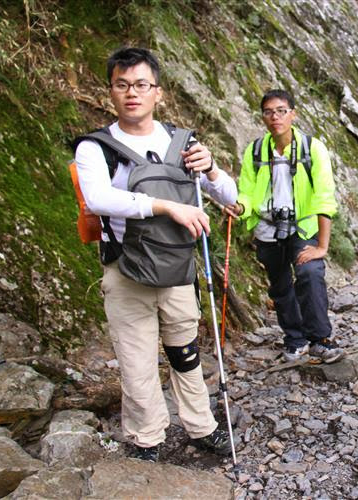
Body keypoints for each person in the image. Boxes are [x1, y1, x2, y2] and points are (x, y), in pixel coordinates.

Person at [74, 47, 238, 462]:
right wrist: (167, 206)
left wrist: (213, 169)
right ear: (110, 91)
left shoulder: (182, 143)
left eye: (142, 85)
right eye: (122, 85)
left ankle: (201, 427)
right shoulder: (96, 148)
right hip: (126, 272)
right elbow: (97, 198)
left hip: (178, 271)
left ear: (158, 93)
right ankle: (147, 438)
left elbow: (232, 198)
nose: (132, 93)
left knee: (185, 354)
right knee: (137, 362)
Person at [226, 89, 343, 363]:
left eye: (281, 111)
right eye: (268, 112)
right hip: (267, 229)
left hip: (303, 227)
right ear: (263, 117)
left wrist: (322, 247)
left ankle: (321, 340)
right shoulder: (256, 151)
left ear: (293, 113)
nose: (275, 117)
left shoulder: (312, 149)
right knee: (279, 286)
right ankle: (295, 338)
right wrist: (240, 208)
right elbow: (247, 191)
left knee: (310, 274)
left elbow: (324, 198)